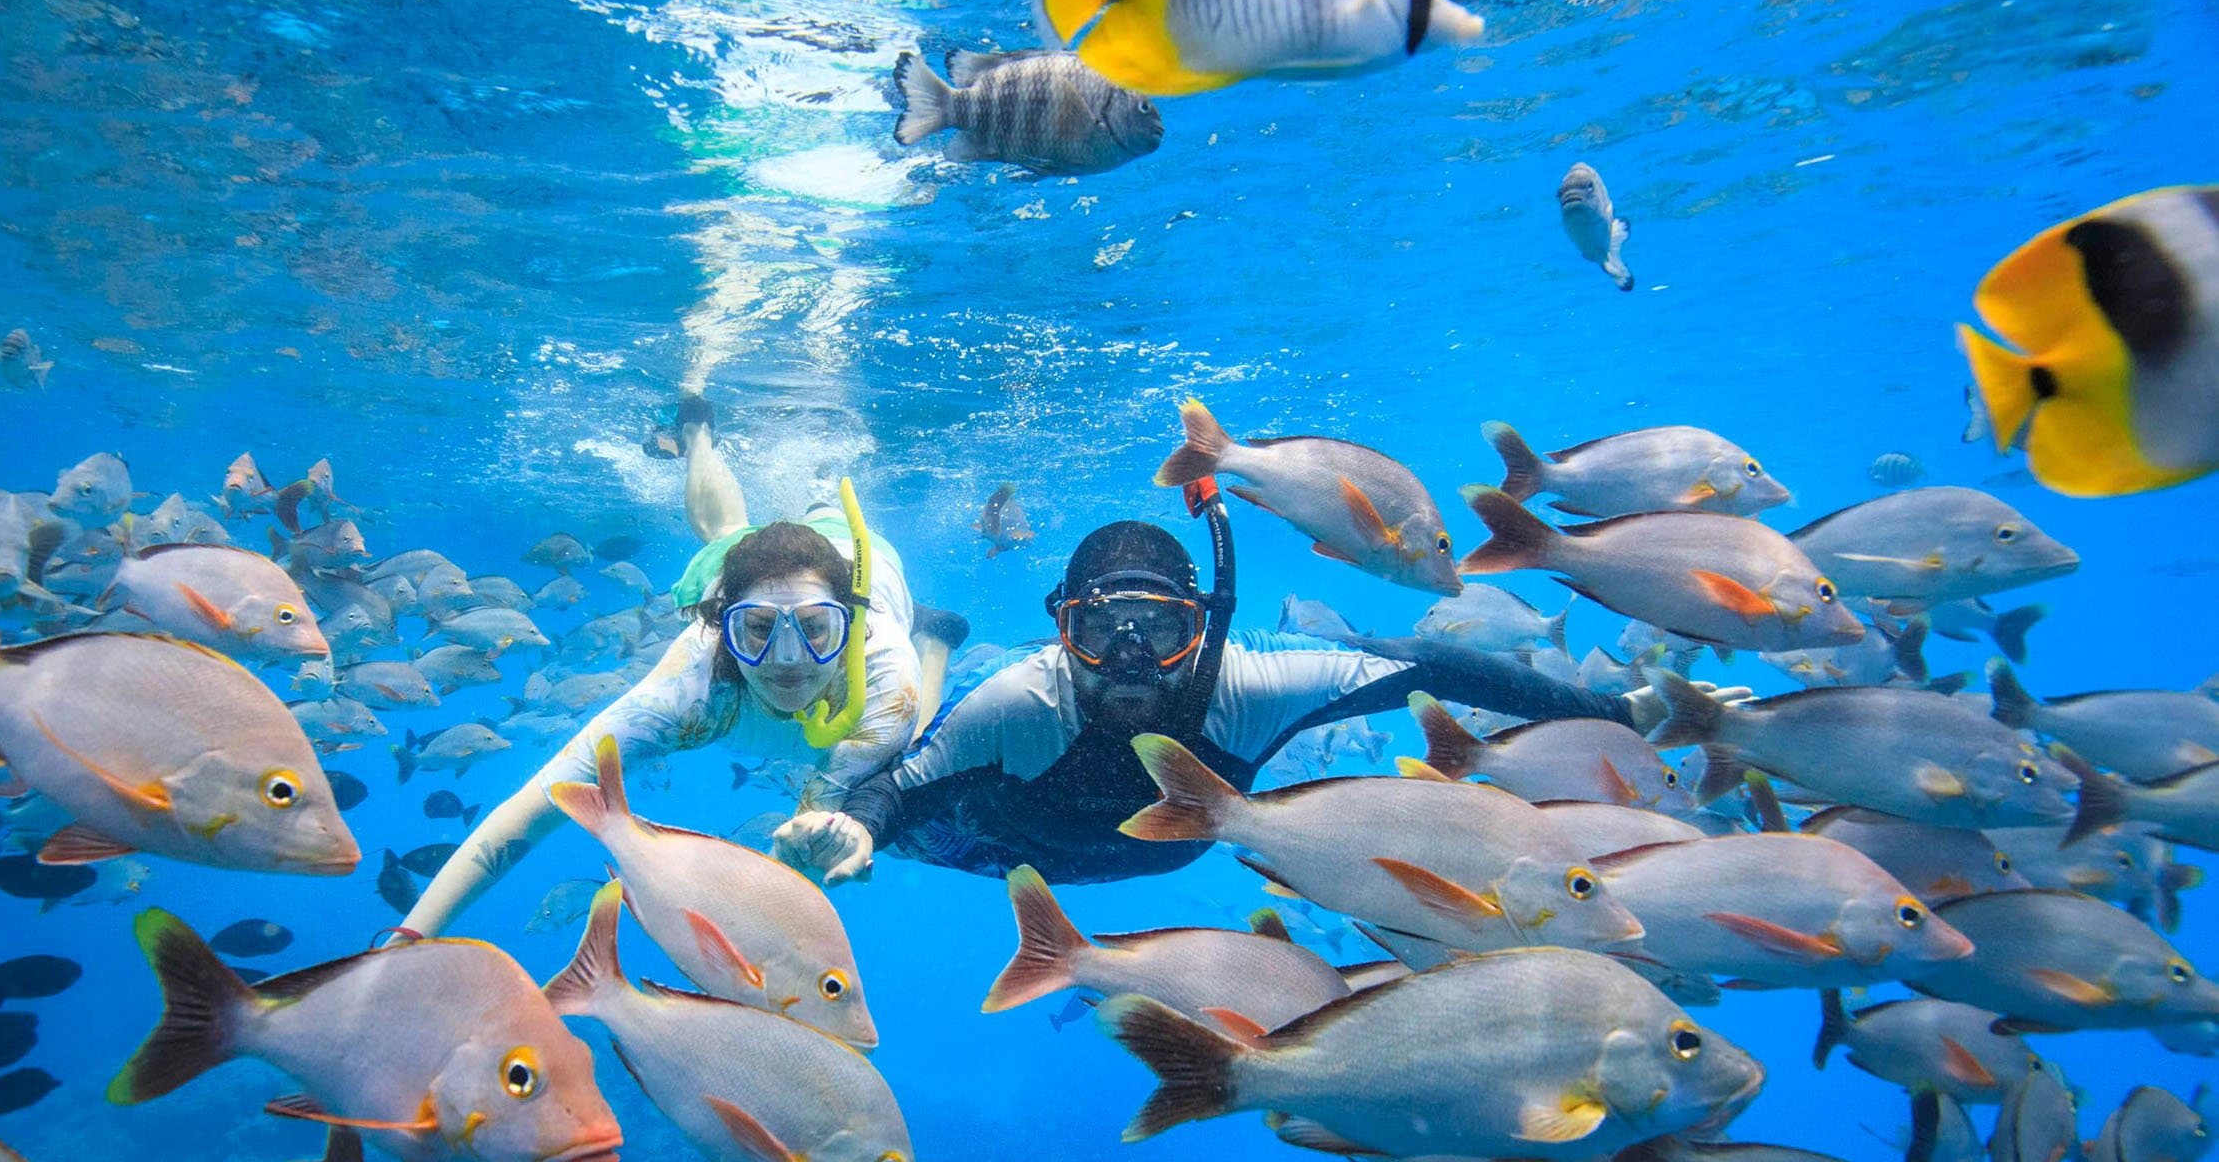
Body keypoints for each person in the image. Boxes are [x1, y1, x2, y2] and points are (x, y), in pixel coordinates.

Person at [778, 491, 1744, 886]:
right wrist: (860, 823)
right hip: (994, 838)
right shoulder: (1024, 701)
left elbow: (1438, 662)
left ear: (1204, 627)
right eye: (1096, 631)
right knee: (858, 764)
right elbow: (900, 792)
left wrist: (1629, 713)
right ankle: (930, 648)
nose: (1124, 660)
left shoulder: (1253, 681)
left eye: (1160, 629)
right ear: (1061, 630)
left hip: (1147, 851)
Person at [398, 397, 961, 938]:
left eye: (816, 630)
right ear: (721, 625)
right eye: (759, 629)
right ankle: (697, 432)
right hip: (763, 571)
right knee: (723, 535)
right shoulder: (693, 679)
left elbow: (806, 840)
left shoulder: (884, 675)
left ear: (851, 627)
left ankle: (932, 638)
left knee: (913, 744)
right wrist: (407, 939)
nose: (788, 662)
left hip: (874, 568)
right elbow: (535, 808)